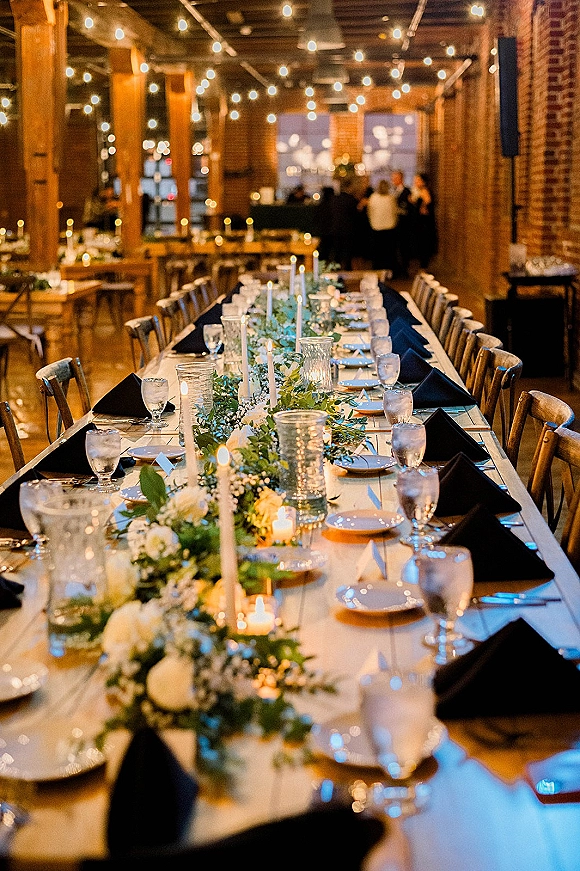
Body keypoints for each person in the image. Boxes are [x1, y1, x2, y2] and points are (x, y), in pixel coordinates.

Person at [366, 179, 398, 273]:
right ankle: (389, 269)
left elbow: (370, 212)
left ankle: (378, 269)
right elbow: (394, 212)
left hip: (377, 226)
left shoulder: (373, 198)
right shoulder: (391, 198)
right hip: (389, 227)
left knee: (378, 251)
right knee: (389, 251)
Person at [409, 172, 438, 269]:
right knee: (420, 245)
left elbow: (427, 202)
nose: (415, 182)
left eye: (417, 180)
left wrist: (423, 206)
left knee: (424, 245)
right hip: (420, 223)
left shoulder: (424, 191)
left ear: (423, 181)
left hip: (424, 224)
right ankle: (422, 267)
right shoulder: (418, 191)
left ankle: (423, 267)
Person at [330, 178, 359, 270]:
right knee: (347, 251)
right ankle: (348, 269)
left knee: (337, 250)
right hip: (348, 229)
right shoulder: (352, 200)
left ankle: (336, 269)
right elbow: (355, 215)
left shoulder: (334, 199)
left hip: (336, 228)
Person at [391, 169, 412, 278]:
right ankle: (396, 269)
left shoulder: (407, 192)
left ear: (400, 179)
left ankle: (404, 270)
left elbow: (407, 208)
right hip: (394, 224)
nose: (393, 180)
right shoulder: (393, 191)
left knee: (404, 247)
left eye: (395, 178)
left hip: (404, 225)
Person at [313, 186, 336, 265]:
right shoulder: (334, 205)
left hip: (322, 231)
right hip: (332, 231)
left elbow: (316, 219)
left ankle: (321, 266)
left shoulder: (321, 205)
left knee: (323, 250)